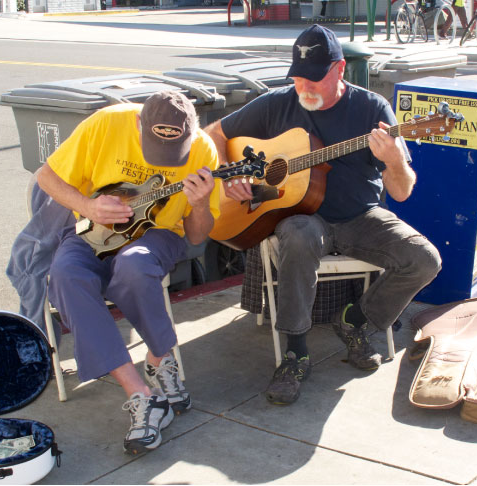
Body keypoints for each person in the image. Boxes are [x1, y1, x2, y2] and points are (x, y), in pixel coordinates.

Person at [205, 25, 441, 405]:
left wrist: (394, 159)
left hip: (359, 217)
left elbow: (401, 191)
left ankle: (357, 320)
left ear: (340, 69)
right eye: (298, 77)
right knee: (297, 234)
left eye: (314, 78)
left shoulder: (371, 110)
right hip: (301, 217)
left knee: (424, 259)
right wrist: (230, 174)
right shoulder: (276, 103)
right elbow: (212, 133)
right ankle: (295, 351)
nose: (304, 87)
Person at [37, 91, 220, 454]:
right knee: (65, 275)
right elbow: (47, 177)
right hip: (95, 229)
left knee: (134, 264)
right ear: (137, 123)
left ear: (192, 134)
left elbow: (198, 236)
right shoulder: (106, 123)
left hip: (159, 235)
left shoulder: (203, 150)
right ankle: (140, 392)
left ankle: (158, 356)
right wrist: (88, 205)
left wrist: (199, 205)